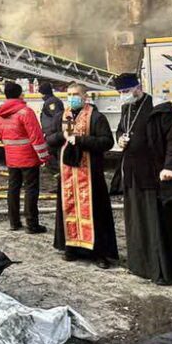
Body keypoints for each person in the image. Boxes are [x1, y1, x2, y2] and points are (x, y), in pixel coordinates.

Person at [114, 73, 172, 285]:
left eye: (126, 91)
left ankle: (163, 269)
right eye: (120, 92)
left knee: (157, 222)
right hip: (133, 174)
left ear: (137, 87)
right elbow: (121, 129)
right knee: (137, 221)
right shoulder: (126, 108)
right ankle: (141, 265)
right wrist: (120, 139)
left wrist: (169, 167)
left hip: (155, 173)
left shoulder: (160, 108)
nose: (123, 95)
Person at [55, 83, 117, 267]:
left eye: (75, 94)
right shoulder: (62, 116)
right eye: (69, 94)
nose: (71, 97)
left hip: (90, 174)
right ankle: (71, 248)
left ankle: (99, 253)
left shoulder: (96, 117)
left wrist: (81, 140)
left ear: (84, 96)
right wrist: (62, 136)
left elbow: (107, 142)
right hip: (68, 174)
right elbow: (49, 138)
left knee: (96, 213)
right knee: (68, 209)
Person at [0, 81, 50, 233]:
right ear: (20, 95)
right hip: (28, 158)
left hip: (11, 158)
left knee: (13, 189)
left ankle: (14, 222)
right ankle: (32, 225)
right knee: (31, 190)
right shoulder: (26, 112)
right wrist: (44, 157)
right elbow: (36, 137)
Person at [39, 82, 65, 172]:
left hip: (53, 135)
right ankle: (58, 173)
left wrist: (53, 132)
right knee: (51, 156)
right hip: (52, 135)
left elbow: (57, 117)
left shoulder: (51, 102)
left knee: (49, 155)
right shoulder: (51, 101)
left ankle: (58, 173)